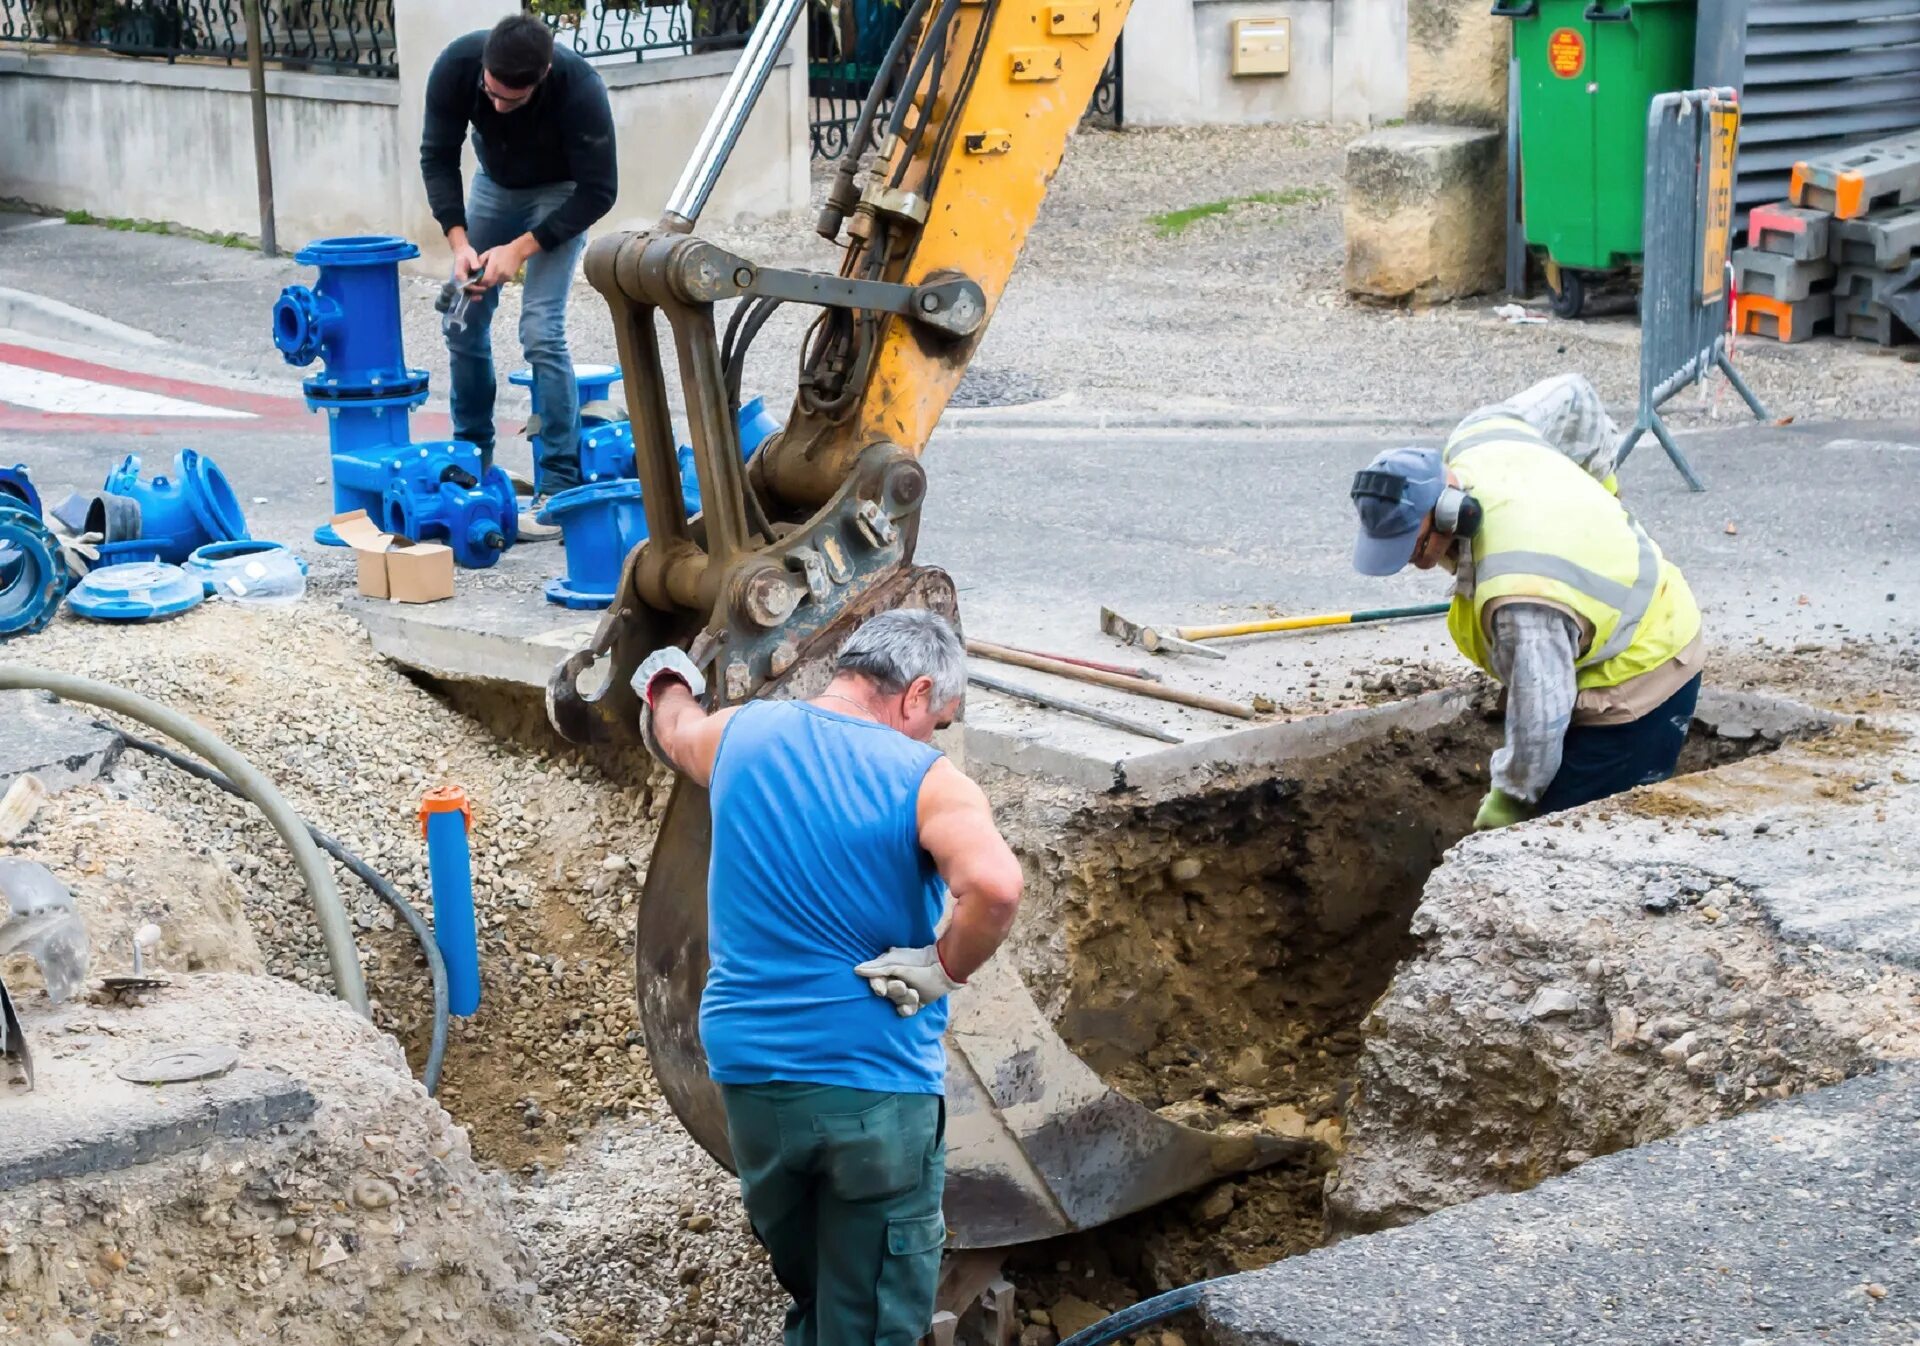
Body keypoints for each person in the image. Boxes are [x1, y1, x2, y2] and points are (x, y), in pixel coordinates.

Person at [633, 609, 1025, 1345]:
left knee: (815, 1285)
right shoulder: (929, 781)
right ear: (915, 695)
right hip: (871, 1091)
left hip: (752, 1087)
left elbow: (676, 730)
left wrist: (665, 680)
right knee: (872, 1319)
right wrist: (943, 968)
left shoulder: (739, 735)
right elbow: (996, 889)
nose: (933, 734)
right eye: (937, 718)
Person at [1348, 376, 1705, 830]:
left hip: (1642, 671)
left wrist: (1509, 804)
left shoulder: (1520, 595)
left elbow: (1539, 722)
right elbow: (1574, 393)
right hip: (1608, 628)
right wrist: (1602, 485)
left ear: (1449, 511)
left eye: (1415, 547)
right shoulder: (1482, 433)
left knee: (1570, 843)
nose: (1411, 562)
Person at [419, 14, 617, 509]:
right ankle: (472, 461)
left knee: (540, 330)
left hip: (562, 194)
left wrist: (520, 250)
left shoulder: (580, 88)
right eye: (491, 94)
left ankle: (558, 481)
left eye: (513, 99)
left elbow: (599, 191)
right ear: (483, 67)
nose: (499, 106)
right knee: (460, 320)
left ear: (543, 74)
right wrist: (460, 243)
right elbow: (438, 156)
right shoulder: (456, 66)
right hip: (494, 186)